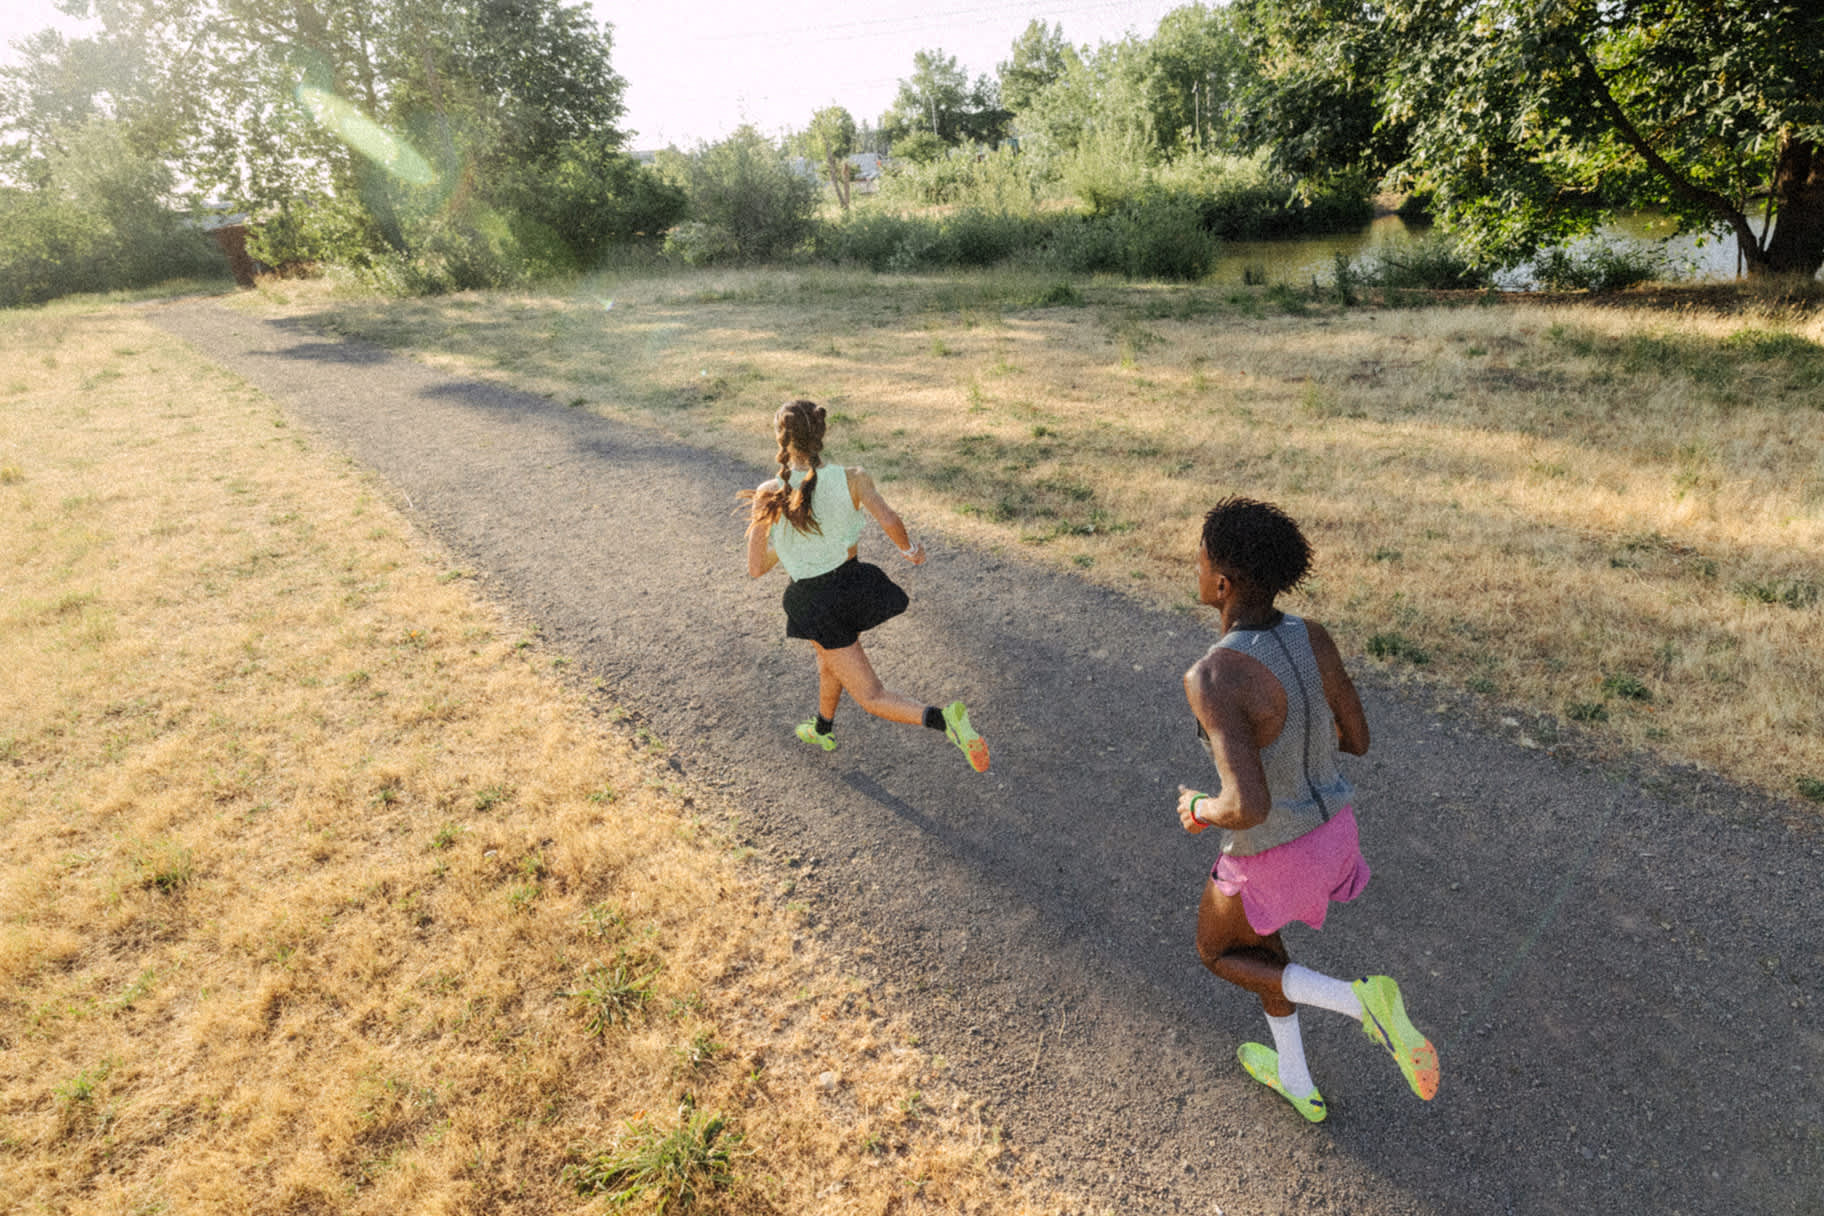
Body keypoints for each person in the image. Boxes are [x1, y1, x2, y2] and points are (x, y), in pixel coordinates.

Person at [1176, 496, 1437, 1122]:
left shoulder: (1213, 677)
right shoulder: (1311, 637)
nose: (1196, 563)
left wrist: (1199, 807)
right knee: (1267, 958)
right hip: (1335, 837)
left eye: (1201, 556)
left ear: (1222, 582)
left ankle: (1359, 1002)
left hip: (1271, 854)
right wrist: (1299, 752)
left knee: (1217, 954)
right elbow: (1358, 740)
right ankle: (1295, 1077)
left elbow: (1246, 804)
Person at [744, 399, 989, 772]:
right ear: (820, 434)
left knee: (872, 696)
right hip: (854, 584)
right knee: (830, 659)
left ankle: (947, 720)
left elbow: (756, 567)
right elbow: (890, 518)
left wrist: (789, 546)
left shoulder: (768, 492)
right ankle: (823, 727)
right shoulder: (853, 477)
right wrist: (911, 550)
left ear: (782, 438)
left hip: (816, 601)